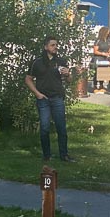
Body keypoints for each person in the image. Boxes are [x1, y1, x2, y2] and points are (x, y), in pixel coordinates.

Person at [24, 35, 74, 163]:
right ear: (46, 47)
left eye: (56, 45)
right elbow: (28, 79)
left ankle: (64, 155)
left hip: (57, 98)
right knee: (45, 128)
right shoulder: (37, 62)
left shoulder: (61, 61)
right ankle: (47, 155)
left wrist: (68, 74)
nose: (55, 47)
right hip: (43, 99)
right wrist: (37, 94)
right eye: (52, 45)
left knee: (61, 127)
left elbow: (69, 81)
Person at [91, 26, 110, 93]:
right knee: (97, 73)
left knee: (103, 72)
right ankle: (95, 86)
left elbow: (109, 49)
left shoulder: (108, 41)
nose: (108, 34)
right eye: (107, 32)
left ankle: (101, 86)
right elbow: (95, 51)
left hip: (105, 59)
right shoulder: (98, 41)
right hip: (98, 58)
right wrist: (103, 53)